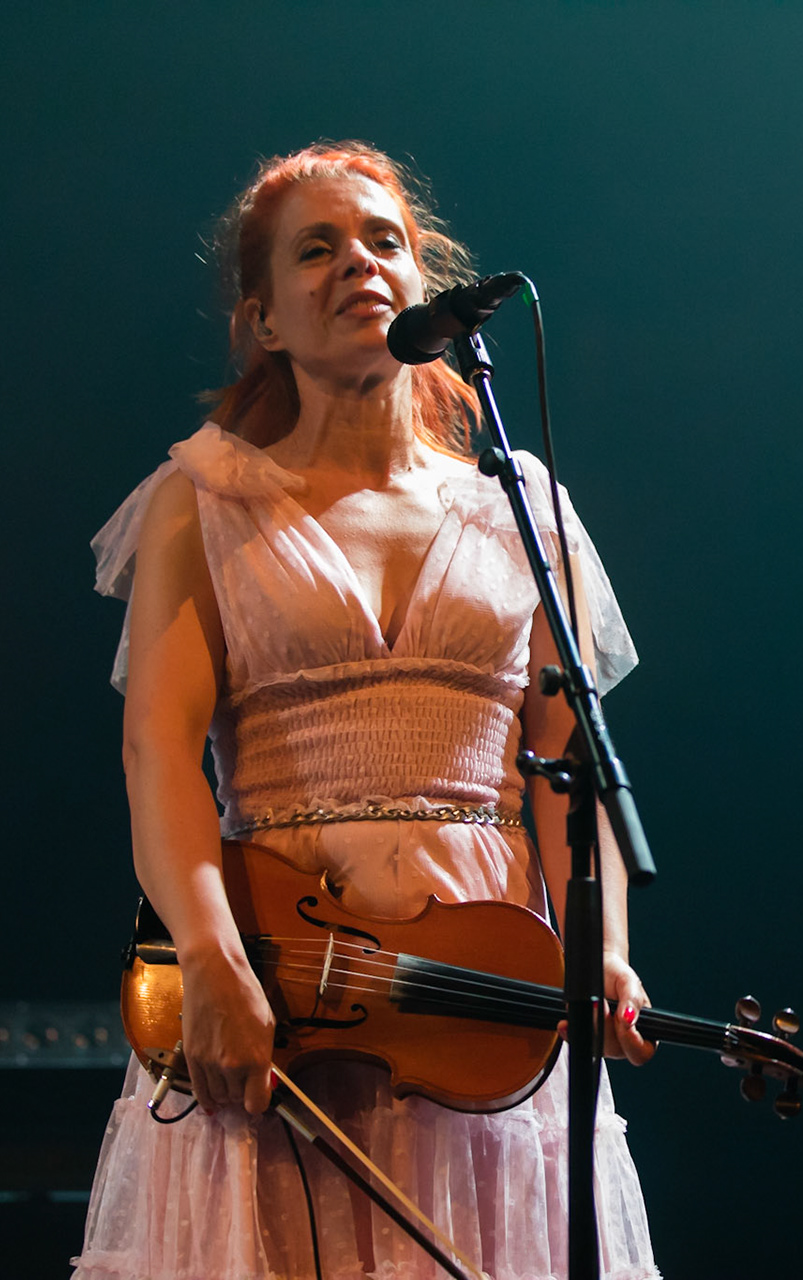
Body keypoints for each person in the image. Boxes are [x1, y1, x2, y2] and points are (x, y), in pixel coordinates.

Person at [73, 140, 660, 1280]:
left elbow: (568, 763)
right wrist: (207, 957)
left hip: (480, 1011)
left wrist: (609, 954)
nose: (360, 263)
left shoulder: (520, 505)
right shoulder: (205, 498)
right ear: (264, 317)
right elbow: (158, 751)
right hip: (287, 988)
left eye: (384, 240)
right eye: (319, 248)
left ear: (424, 280)